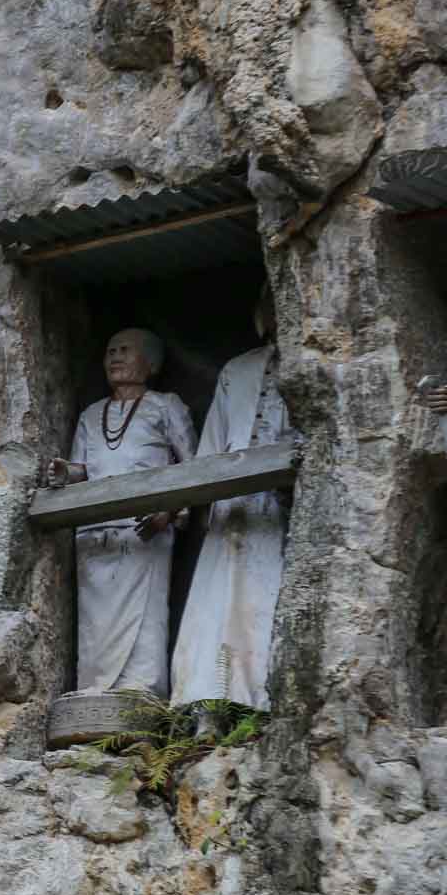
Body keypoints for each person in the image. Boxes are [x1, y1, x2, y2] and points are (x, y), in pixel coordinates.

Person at [48, 328, 198, 695]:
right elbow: (85, 470)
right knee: (94, 619)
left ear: (151, 363)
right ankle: (94, 688)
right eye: (110, 351)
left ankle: (141, 690)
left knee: (145, 616)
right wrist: (65, 473)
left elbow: (194, 466)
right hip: (95, 533)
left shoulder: (166, 406)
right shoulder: (91, 414)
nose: (115, 357)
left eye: (125, 350)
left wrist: (168, 512)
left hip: (145, 530)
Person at [172, 299, 296, 715]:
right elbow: (212, 446)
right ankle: (208, 701)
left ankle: (260, 702)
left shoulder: (309, 365)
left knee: (265, 595)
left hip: (281, 506)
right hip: (231, 503)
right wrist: (196, 501)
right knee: (218, 600)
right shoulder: (237, 369)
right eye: (271, 303)